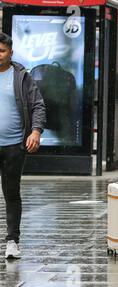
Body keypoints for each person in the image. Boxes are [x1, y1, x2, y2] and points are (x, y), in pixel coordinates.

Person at [0, 33, 46, 259]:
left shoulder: (21, 76)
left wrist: (36, 131)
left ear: (11, 52)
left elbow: (38, 105)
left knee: (11, 193)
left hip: (13, 146)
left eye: (2, 51)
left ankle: (12, 241)